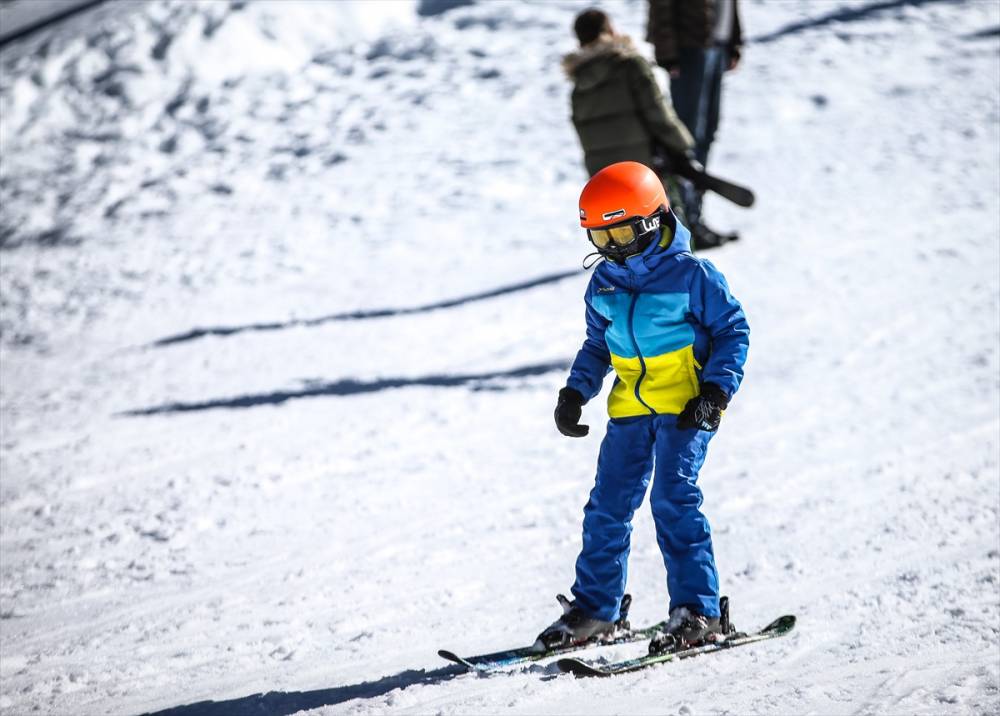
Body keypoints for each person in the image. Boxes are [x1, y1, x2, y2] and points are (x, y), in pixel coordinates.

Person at [533, 161, 749, 655]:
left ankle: (700, 611)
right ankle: (597, 610)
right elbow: (598, 346)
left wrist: (715, 393)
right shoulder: (604, 283)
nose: (615, 249)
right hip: (630, 408)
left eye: (624, 232)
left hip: (686, 408)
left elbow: (733, 332)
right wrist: (574, 393)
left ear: (654, 219)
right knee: (607, 506)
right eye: (602, 239)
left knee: (673, 499)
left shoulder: (693, 275)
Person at [562, 8, 698, 233]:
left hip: (604, 178)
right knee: (660, 234)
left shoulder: (579, 84)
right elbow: (658, 112)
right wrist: (683, 146)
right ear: (610, 30)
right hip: (642, 170)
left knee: (621, 241)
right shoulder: (629, 66)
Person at [647, 0, 744, 247]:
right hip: (689, 47)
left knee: (707, 133)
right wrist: (667, 53)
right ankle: (681, 224)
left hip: (717, 45)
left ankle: (695, 219)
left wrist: (734, 42)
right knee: (687, 139)